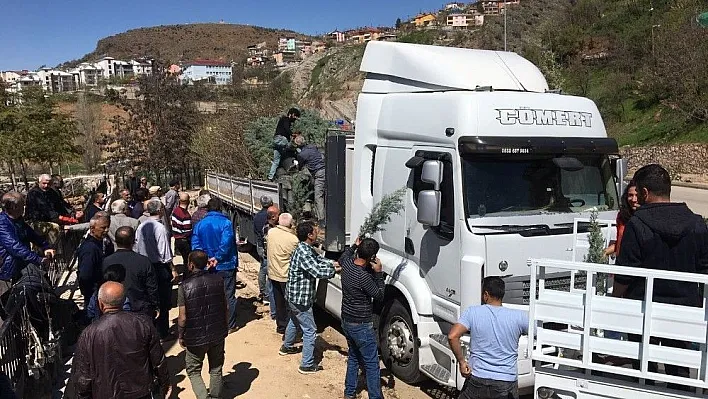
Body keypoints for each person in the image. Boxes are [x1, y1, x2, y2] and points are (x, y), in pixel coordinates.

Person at [614, 164, 708, 385]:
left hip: (643, 311)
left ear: (645, 193)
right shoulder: (697, 224)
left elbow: (624, 274)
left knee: (644, 370)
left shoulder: (636, 225)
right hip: (684, 312)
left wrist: (616, 300)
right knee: (679, 372)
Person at [72, 281, 170, 399]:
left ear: (100, 304)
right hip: (140, 393)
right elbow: (158, 361)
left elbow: (83, 377)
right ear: (124, 301)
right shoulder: (143, 324)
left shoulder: (88, 334)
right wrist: (164, 384)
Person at [448, 277, 529, 399]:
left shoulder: (472, 312)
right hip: (505, 381)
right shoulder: (519, 317)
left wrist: (461, 362)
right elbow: (539, 333)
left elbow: (452, 336)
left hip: (476, 379)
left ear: (486, 294)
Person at [279, 221, 339, 374]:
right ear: (309, 235)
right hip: (300, 298)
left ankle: (286, 347)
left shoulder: (304, 248)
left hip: (294, 296)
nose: (318, 233)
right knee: (310, 330)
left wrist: (332, 263)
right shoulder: (304, 252)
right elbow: (317, 270)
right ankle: (306, 364)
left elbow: (318, 260)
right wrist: (334, 270)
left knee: (294, 320)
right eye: (316, 231)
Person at [178, 251, 229, 399]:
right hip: (217, 332)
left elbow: (182, 317)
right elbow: (225, 307)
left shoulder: (185, 286)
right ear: (207, 263)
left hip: (195, 337)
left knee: (193, 371)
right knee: (216, 368)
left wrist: (181, 335)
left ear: (191, 265)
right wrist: (225, 326)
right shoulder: (218, 281)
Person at [340, 237, 385, 399]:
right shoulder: (364, 277)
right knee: (372, 364)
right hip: (361, 324)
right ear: (372, 257)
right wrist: (379, 273)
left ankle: (349, 392)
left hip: (346, 319)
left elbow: (343, 256)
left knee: (353, 356)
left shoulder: (347, 264)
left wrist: (353, 246)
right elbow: (379, 295)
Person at [192, 198, 239, 333]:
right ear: (220, 208)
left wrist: (205, 259)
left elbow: (195, 244)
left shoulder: (200, 225)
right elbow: (226, 243)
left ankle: (215, 322)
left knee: (211, 295)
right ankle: (230, 325)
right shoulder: (226, 223)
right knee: (228, 294)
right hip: (226, 264)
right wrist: (217, 257)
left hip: (208, 266)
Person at [135, 199, 176, 340]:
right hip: (159, 267)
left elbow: (137, 247)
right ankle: (163, 332)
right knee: (163, 301)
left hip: (144, 265)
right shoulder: (160, 228)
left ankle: (151, 330)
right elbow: (165, 252)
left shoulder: (141, 227)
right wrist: (172, 268)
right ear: (160, 210)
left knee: (149, 299)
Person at [0, 192, 54, 297]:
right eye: (22, 204)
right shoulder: (2, 223)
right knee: (9, 304)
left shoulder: (18, 220)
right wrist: (38, 259)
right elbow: (15, 247)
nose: (24, 207)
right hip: (7, 272)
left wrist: (45, 246)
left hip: (21, 267)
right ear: (14, 207)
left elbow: (31, 235)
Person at [103, 226, 159, 318]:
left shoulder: (106, 261)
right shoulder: (144, 261)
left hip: (115, 310)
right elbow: (152, 287)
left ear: (116, 241)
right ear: (133, 241)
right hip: (140, 310)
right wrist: (155, 305)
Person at [267, 212, 298, 334]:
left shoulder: (271, 232)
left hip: (273, 273)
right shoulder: (293, 239)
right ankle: (290, 329)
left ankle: (281, 326)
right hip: (285, 276)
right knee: (289, 305)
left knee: (278, 302)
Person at [76, 213, 111, 309]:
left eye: (108, 227)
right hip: (93, 291)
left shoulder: (102, 242)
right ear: (92, 228)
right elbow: (85, 275)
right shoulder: (90, 248)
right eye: (103, 228)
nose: (106, 230)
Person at [294, 135, 326, 227]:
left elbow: (300, 167)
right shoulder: (313, 147)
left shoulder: (301, 155)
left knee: (318, 197)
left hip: (319, 174)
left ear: (298, 146)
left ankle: (321, 220)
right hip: (326, 171)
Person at [604, 180, 639, 258]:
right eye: (630, 195)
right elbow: (620, 241)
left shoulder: (646, 217)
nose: (633, 199)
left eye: (637, 195)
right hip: (621, 262)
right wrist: (605, 252)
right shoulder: (622, 216)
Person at [268, 107, 301, 181]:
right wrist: (293, 135)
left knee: (276, 161)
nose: (295, 119)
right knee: (293, 147)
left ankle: (270, 177)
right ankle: (300, 153)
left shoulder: (283, 120)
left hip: (277, 142)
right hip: (281, 139)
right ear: (291, 114)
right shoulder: (286, 119)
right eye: (295, 116)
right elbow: (286, 129)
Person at [254, 195, 273, 304]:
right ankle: (266, 295)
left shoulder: (257, 216)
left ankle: (263, 291)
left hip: (260, 245)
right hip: (266, 246)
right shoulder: (270, 216)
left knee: (263, 267)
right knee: (267, 269)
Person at [172, 192, 193, 263]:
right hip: (184, 241)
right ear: (188, 201)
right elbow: (188, 231)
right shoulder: (186, 215)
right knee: (188, 260)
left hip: (177, 240)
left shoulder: (176, 211)